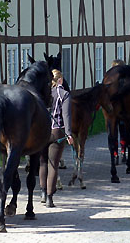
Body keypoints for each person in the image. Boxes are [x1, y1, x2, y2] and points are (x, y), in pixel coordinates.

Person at [39, 69, 73, 207]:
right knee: (53, 164)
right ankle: (49, 197)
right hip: (57, 131)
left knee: (42, 162)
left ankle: (42, 192)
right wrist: (69, 133)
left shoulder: (44, 94)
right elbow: (67, 115)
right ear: (60, 80)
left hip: (42, 131)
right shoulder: (64, 94)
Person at [111, 59, 128, 165]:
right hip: (123, 111)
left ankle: (117, 153)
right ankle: (122, 152)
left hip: (114, 111)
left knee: (114, 133)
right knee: (123, 133)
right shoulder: (126, 81)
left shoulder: (111, 81)